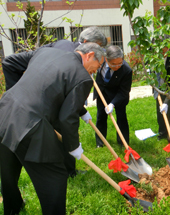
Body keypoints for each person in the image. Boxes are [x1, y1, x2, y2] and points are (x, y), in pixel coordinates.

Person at [0, 43, 105, 214]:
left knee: (8, 168)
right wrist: (74, 147)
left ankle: (12, 209)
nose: (96, 71)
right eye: (98, 66)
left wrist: (82, 111)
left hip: (4, 111)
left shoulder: (45, 52)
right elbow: (67, 118)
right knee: (55, 176)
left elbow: (53, 85)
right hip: (29, 124)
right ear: (90, 55)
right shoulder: (83, 77)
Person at [2, 26, 107, 178]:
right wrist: (17, 92)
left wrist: (82, 111)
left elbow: (65, 92)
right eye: (98, 47)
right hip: (32, 115)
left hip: (8, 109)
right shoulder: (69, 58)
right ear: (86, 45)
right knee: (61, 136)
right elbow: (10, 62)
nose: (100, 52)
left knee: (8, 164)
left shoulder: (61, 46)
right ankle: (66, 172)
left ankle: (68, 171)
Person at [94, 45, 132, 147]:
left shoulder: (127, 70)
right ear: (106, 59)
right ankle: (100, 142)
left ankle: (123, 142)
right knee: (101, 117)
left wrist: (112, 104)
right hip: (102, 92)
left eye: (120, 63)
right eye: (113, 64)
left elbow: (124, 91)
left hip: (118, 95)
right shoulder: (100, 61)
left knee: (121, 117)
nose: (117, 66)